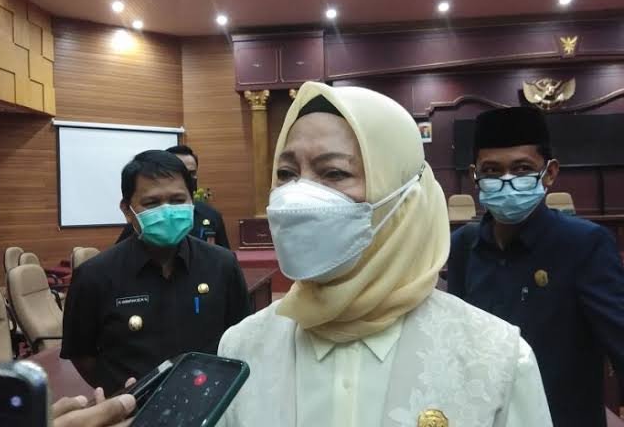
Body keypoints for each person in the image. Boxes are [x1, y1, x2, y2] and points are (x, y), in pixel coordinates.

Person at [216, 82, 552, 426]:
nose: (298, 196)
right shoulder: (243, 348)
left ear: (402, 196)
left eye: (334, 173)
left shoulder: (495, 356)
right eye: (286, 173)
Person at [448, 107, 624, 427]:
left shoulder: (584, 245)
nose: (507, 181)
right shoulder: (462, 246)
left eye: (522, 169)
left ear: (550, 173)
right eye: (492, 170)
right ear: (475, 175)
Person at [61, 150, 250, 395]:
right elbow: (82, 354)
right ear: (127, 210)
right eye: (152, 203)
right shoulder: (94, 276)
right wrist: (120, 390)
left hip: (211, 403)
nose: (167, 211)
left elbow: (241, 336)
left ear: (192, 202)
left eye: (177, 200)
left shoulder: (222, 264)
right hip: (133, 408)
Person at [116, 145, 230, 249]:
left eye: (191, 173)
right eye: (152, 203)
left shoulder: (211, 216)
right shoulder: (139, 222)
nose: (167, 210)